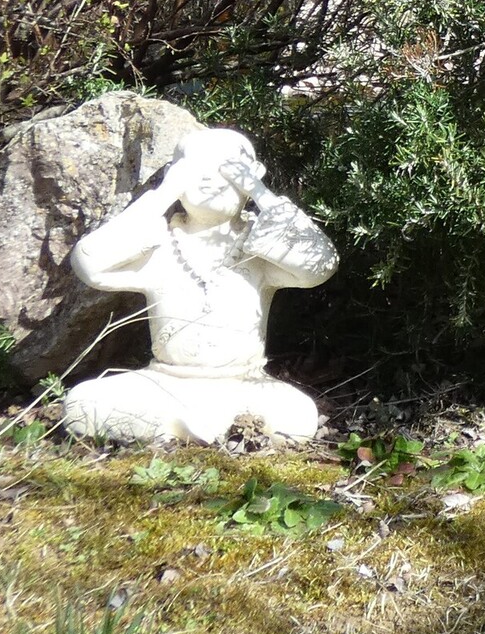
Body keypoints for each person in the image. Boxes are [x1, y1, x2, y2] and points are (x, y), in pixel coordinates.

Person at [63, 128, 338, 442]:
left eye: (227, 170)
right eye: (196, 168)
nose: (210, 179)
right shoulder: (160, 243)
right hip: (163, 383)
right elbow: (90, 264)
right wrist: (164, 194)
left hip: (243, 385)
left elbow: (319, 266)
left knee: (298, 414)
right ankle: (217, 432)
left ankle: (180, 430)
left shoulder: (258, 248)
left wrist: (261, 193)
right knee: (83, 402)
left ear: (253, 174)